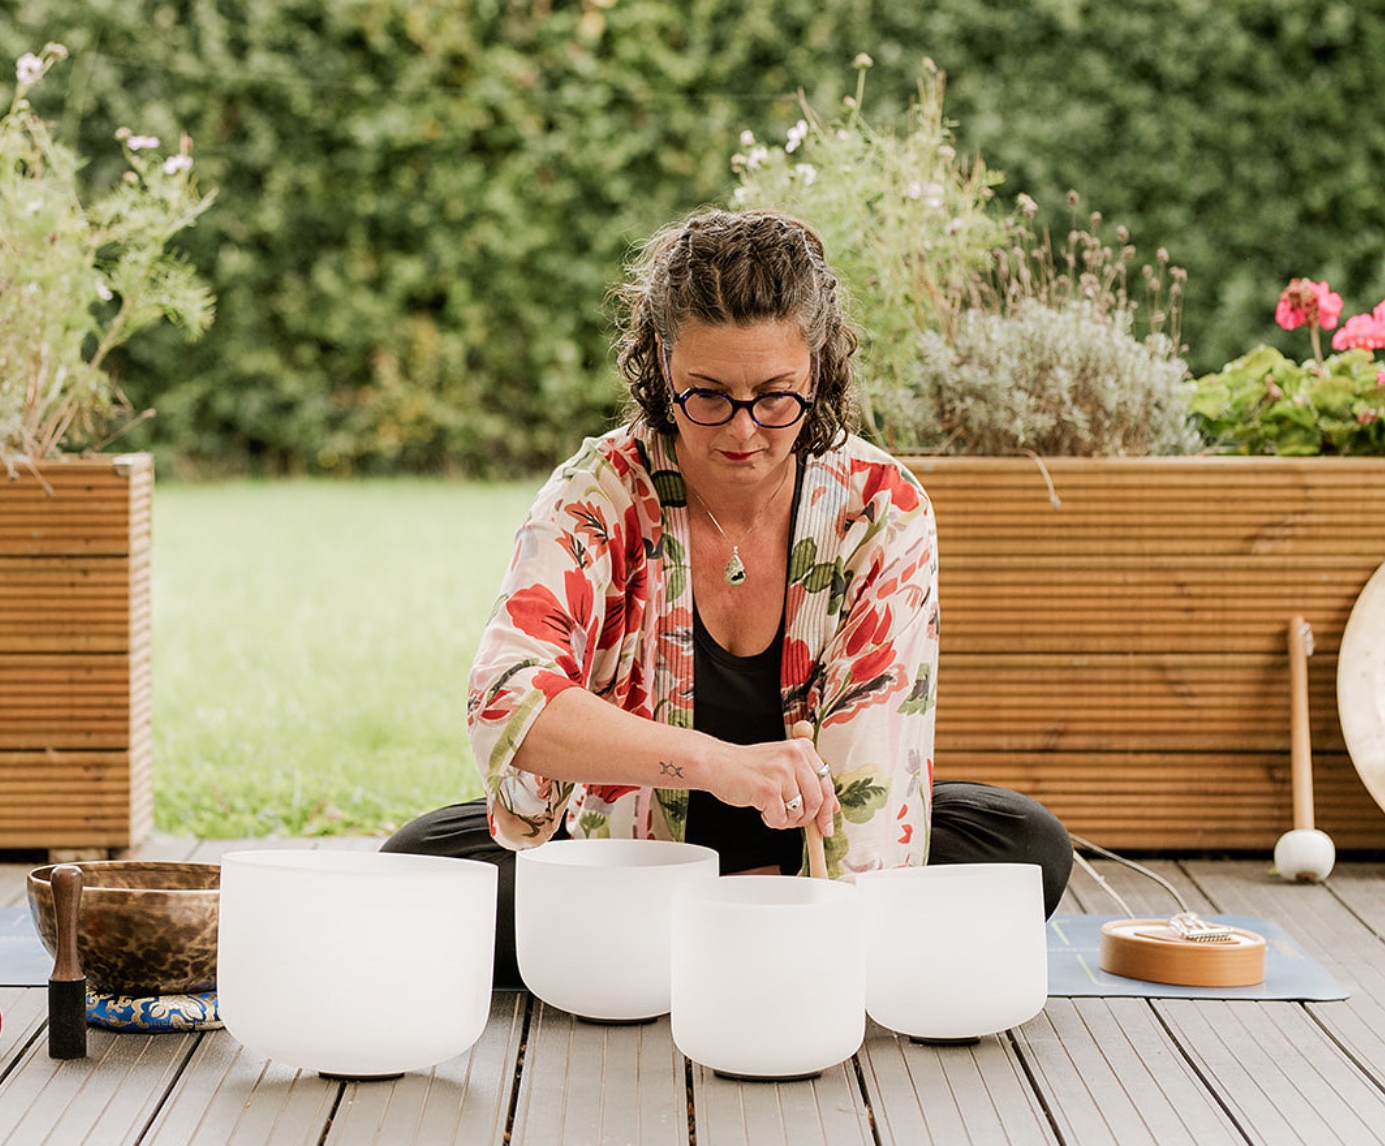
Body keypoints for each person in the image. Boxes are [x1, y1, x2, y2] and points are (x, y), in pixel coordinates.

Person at [383, 207, 1072, 986]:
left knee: (1026, 845)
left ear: (819, 368)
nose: (743, 433)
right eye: (707, 396)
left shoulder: (881, 508)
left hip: (808, 852)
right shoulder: (595, 495)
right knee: (416, 868)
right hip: (625, 851)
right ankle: (738, 933)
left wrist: (827, 905)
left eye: (775, 397)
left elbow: (870, 790)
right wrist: (721, 766)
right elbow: (506, 700)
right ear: (662, 362)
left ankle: (688, 936)